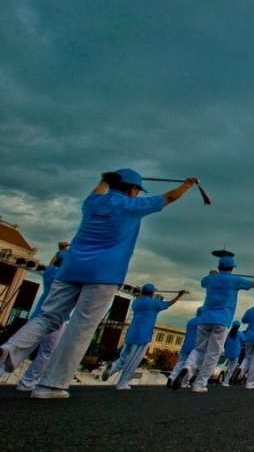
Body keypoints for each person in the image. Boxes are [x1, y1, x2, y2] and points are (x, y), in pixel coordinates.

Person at [0, 169, 198, 399]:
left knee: (47, 317)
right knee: (80, 327)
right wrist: (188, 184)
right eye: (136, 190)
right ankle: (51, 385)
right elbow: (170, 197)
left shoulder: (92, 202)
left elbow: (98, 189)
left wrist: (104, 181)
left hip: (71, 268)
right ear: (132, 189)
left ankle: (10, 348)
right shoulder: (131, 206)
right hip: (104, 272)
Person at [171, 256, 254, 392]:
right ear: (232, 268)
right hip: (222, 319)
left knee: (198, 349)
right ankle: (199, 384)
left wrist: (211, 274)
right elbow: (253, 284)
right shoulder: (234, 280)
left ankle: (187, 367)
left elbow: (203, 282)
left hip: (204, 318)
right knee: (213, 353)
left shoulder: (210, 279)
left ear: (218, 267)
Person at [103, 284, 188, 389]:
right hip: (143, 334)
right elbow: (169, 303)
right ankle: (122, 383)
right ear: (152, 293)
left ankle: (113, 368)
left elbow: (140, 297)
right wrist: (179, 295)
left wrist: (141, 295)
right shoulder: (154, 303)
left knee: (124, 356)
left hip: (131, 333)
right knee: (133, 360)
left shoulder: (136, 303)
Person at [16, 249, 69, 392]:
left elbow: (51, 264)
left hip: (38, 315)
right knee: (47, 352)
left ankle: (2, 370)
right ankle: (27, 382)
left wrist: (59, 251)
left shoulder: (50, 274)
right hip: (58, 318)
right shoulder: (68, 278)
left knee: (22, 346)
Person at [167, 307, 203, 388]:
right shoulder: (203, 322)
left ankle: (172, 377)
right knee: (192, 364)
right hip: (196, 346)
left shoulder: (190, 322)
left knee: (180, 362)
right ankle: (184, 382)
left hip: (186, 344)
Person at [220, 320, 245, 387]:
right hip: (236, 352)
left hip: (228, 352)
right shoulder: (240, 334)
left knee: (228, 366)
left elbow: (224, 342)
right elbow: (244, 341)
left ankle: (224, 379)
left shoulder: (228, 334)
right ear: (239, 326)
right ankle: (226, 381)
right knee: (232, 368)